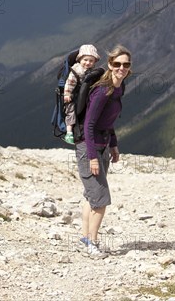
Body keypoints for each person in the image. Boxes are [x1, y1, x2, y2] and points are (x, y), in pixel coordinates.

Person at [75, 44, 132, 257]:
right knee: (100, 199)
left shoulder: (119, 88)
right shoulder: (102, 90)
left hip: (103, 145)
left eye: (126, 64)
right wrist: (92, 158)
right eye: (117, 64)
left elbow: (108, 120)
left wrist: (114, 144)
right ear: (109, 64)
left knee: (92, 196)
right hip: (88, 147)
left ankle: (85, 237)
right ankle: (93, 243)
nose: (121, 68)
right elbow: (89, 125)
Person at [63, 44, 100, 145]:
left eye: (91, 61)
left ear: (94, 62)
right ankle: (69, 132)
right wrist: (67, 94)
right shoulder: (76, 71)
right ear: (80, 59)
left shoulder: (93, 72)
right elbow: (69, 84)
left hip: (84, 96)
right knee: (70, 111)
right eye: (85, 60)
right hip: (72, 97)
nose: (88, 63)